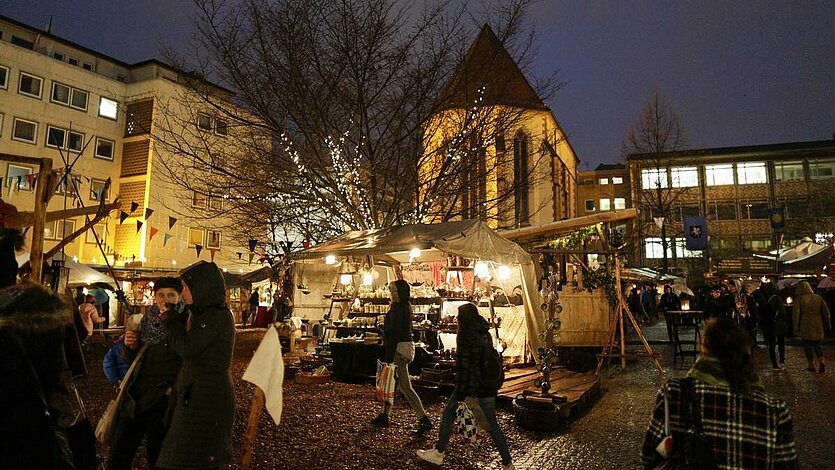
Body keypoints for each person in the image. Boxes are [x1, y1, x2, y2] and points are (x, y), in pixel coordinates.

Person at [641, 316, 797, 469]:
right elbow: (787, 465)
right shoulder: (775, 410)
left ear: (704, 348)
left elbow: (649, 456)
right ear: (746, 352)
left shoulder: (674, 393)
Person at [155, 261, 235, 470]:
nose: (183, 293)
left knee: (192, 458)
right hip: (193, 393)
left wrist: (171, 320)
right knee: (181, 456)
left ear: (202, 287)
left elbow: (187, 348)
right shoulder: (200, 314)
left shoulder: (217, 316)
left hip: (206, 397)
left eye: (187, 287)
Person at [417, 303, 514, 470]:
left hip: (472, 386)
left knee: (449, 413)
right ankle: (507, 463)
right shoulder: (484, 333)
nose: (457, 318)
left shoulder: (465, 334)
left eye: (459, 315)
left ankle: (439, 453)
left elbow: (466, 365)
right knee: (491, 424)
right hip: (487, 384)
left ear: (464, 318)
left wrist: (461, 392)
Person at [106, 278, 186, 469]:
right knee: (118, 455)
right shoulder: (145, 320)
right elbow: (130, 358)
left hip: (163, 398)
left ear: (179, 297)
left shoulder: (183, 323)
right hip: (136, 396)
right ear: (154, 297)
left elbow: (186, 354)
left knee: (157, 456)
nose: (165, 299)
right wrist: (129, 346)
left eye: (171, 295)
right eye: (161, 295)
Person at [0, 282, 76, 469]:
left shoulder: (10, 322)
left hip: (20, 426)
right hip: (41, 426)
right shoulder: (47, 312)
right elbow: (57, 374)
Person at [370, 279, 432, 434]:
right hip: (404, 347)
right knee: (393, 383)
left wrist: (389, 356)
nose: (391, 294)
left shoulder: (398, 309)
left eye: (393, 291)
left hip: (399, 349)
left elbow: (395, 334)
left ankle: (423, 418)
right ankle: (384, 415)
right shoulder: (404, 307)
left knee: (405, 387)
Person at [792, 281, 831, 373]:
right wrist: (828, 323)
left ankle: (811, 364)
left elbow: (796, 314)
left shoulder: (799, 299)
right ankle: (821, 361)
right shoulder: (818, 298)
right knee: (818, 344)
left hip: (805, 324)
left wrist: (795, 327)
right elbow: (826, 312)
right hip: (818, 324)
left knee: (807, 345)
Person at [758, 282, 789, 371]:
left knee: (772, 345)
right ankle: (781, 362)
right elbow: (782, 312)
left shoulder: (765, 299)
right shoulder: (776, 298)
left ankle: (775, 363)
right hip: (778, 324)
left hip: (770, 324)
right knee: (780, 343)